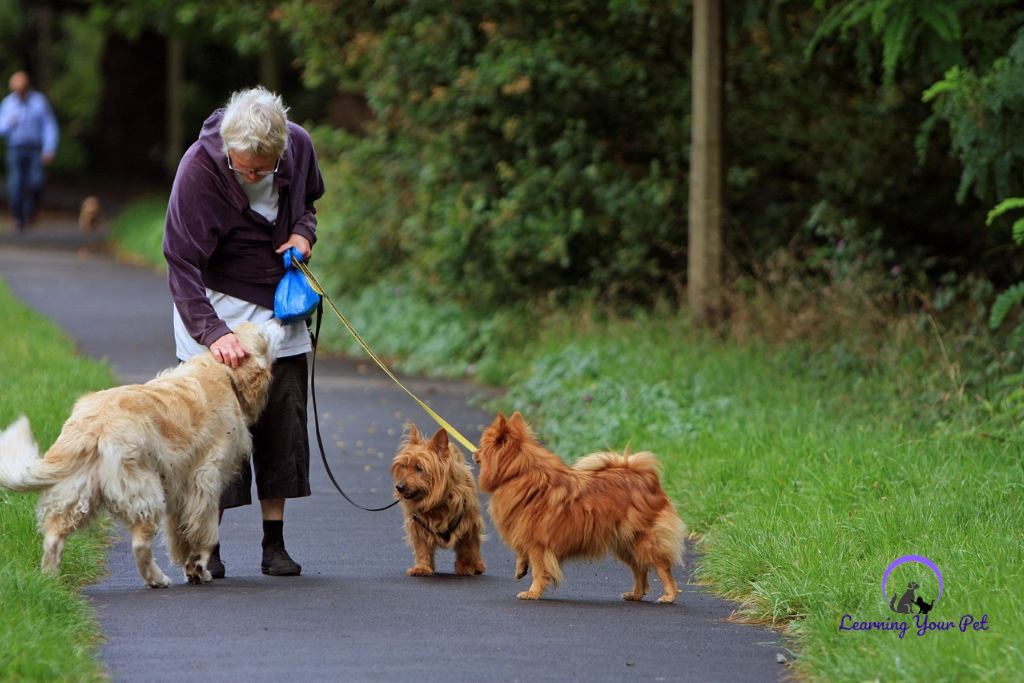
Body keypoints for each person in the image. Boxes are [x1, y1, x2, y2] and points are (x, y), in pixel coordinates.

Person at [163, 86, 325, 577]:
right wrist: (214, 334)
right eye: (245, 168)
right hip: (215, 306)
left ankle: (274, 544)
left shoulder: (297, 144)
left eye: (263, 168)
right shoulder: (198, 168)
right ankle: (209, 547)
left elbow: (308, 207)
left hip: (280, 308)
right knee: (215, 434)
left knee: (282, 419)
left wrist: (303, 234)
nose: (253, 175)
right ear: (227, 149)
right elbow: (181, 261)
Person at [0, 71, 59, 232]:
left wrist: (49, 148)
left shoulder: (39, 102)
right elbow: (1, 128)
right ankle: (18, 217)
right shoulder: (8, 104)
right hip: (14, 149)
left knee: (36, 182)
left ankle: (30, 213)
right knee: (15, 184)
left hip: (35, 150)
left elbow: (49, 126)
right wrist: (9, 123)